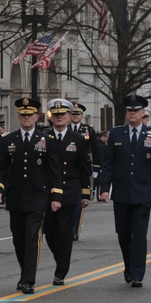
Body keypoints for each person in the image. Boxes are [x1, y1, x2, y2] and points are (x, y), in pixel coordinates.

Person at [0, 97, 63, 294]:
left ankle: (29, 280)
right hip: (15, 197)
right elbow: (0, 169)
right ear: (18, 116)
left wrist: (56, 197)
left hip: (38, 197)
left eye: (30, 115)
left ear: (37, 117)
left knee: (32, 237)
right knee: (18, 238)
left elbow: (54, 171)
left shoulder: (46, 140)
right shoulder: (8, 140)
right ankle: (25, 273)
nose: (26, 118)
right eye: (23, 115)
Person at [97, 94, 151, 287]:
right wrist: (104, 188)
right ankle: (128, 265)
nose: (133, 114)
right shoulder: (117, 134)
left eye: (136, 111)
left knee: (139, 233)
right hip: (121, 191)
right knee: (123, 233)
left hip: (144, 192)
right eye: (130, 111)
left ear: (143, 113)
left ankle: (137, 273)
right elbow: (108, 164)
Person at [42, 99, 90, 285]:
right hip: (48, 192)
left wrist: (85, 193)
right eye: (56, 114)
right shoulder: (44, 137)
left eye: (63, 114)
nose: (59, 117)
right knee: (49, 232)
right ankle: (60, 259)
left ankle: (61, 270)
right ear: (51, 117)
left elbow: (84, 167)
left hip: (69, 191)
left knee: (64, 231)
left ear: (69, 117)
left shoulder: (78, 139)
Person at [67, 102, 98, 238]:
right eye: (73, 114)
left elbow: (95, 150)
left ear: (82, 116)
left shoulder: (88, 129)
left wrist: (96, 168)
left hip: (82, 167)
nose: (75, 116)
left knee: (79, 201)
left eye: (77, 114)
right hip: (66, 166)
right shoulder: (64, 128)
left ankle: (74, 230)